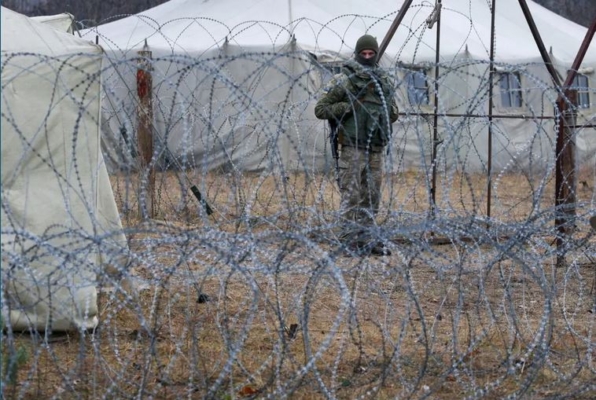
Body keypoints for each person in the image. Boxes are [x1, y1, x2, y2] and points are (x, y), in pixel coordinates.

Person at [315, 34, 398, 257]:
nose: (368, 57)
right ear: (358, 54)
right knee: (351, 195)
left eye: (372, 54)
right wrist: (349, 105)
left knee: (371, 196)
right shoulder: (345, 80)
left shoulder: (383, 81)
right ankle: (345, 240)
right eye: (364, 53)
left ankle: (366, 239)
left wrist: (383, 113)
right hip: (352, 147)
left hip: (376, 147)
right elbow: (321, 109)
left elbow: (394, 112)